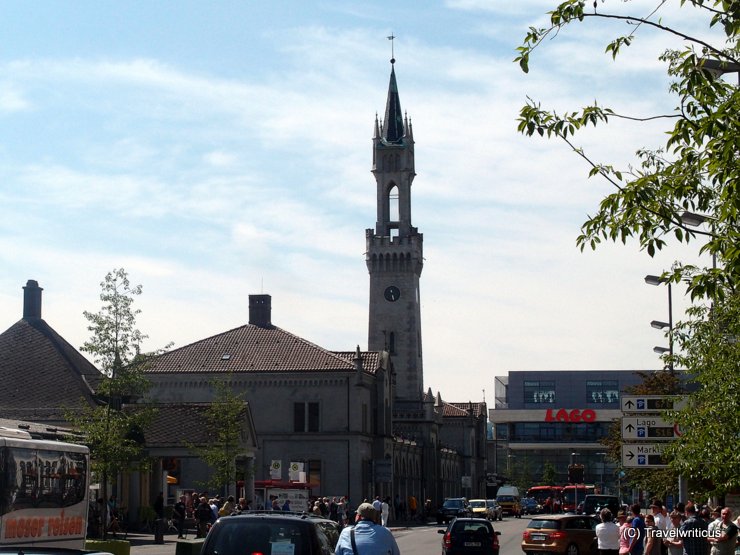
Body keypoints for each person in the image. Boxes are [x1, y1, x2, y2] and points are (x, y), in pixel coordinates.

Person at [335, 502, 400, 555]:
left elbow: (338, 553)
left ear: (359, 516)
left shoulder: (346, 532)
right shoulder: (386, 532)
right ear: (374, 518)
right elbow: (396, 553)